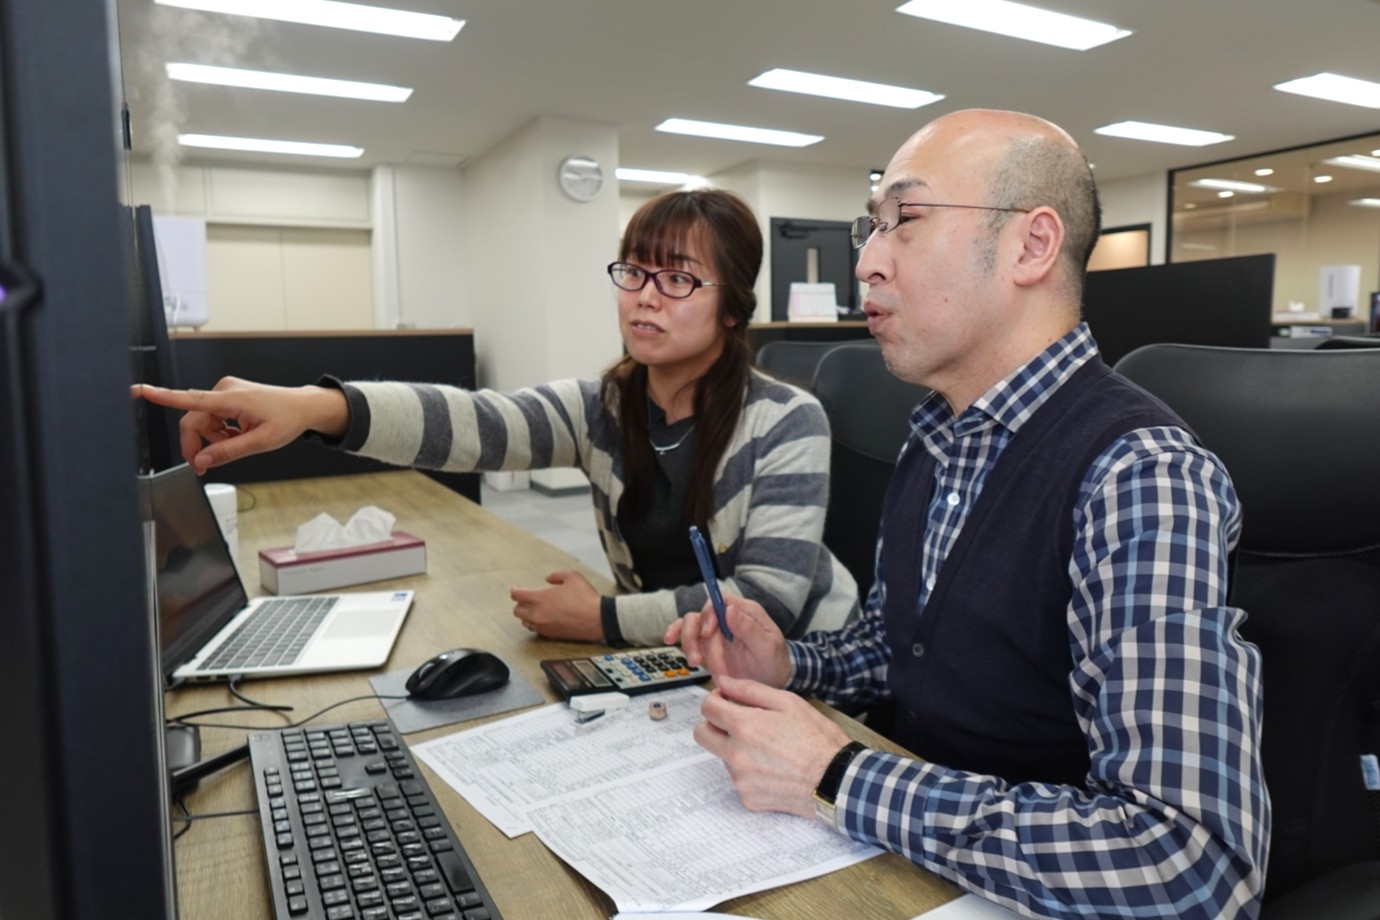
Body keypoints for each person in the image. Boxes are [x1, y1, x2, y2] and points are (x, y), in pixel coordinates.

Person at [667, 110, 1268, 919]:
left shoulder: (1140, 475)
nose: (868, 264)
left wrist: (843, 774)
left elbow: (1188, 862)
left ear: (1031, 245)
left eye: (903, 222)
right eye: (868, 228)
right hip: (913, 866)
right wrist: (791, 668)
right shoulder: (937, 435)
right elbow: (899, 647)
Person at [138, 188, 859, 647]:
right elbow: (474, 424)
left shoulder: (788, 421)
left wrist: (603, 621)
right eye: (633, 272)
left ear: (732, 307)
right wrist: (313, 410)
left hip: (805, 669)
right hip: (680, 655)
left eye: (677, 280)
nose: (644, 296)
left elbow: (768, 604)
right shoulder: (603, 408)